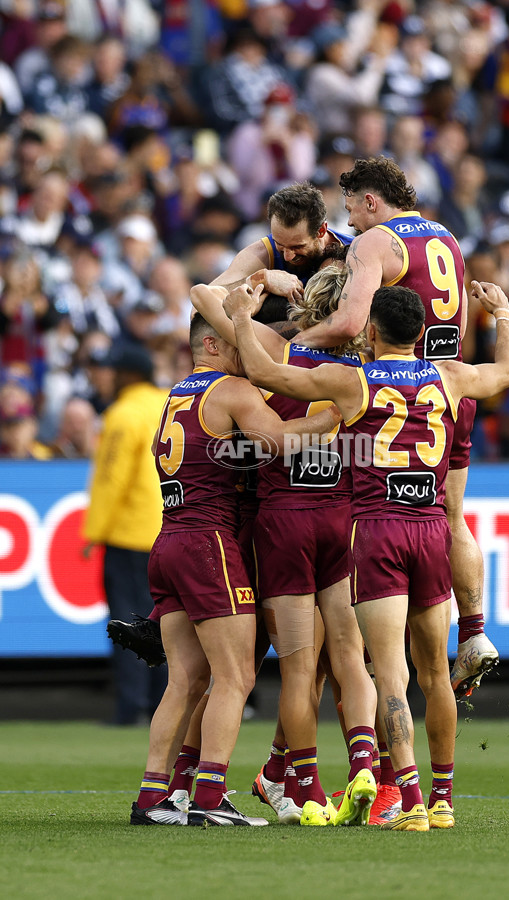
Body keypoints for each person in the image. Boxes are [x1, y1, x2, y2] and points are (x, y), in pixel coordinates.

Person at [225, 277, 509, 830]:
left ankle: (409, 804)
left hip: (379, 530)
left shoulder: (351, 381)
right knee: (436, 672)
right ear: (422, 332)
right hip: (433, 528)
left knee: (390, 672)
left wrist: (242, 318)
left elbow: (268, 374)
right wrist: (502, 315)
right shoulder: (449, 376)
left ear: (371, 329)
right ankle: (444, 800)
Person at [293, 155, 499, 697]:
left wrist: (295, 344)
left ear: (368, 199)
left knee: (364, 509)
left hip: (396, 393)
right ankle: (474, 631)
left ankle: (360, 675)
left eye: (353, 212)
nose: (352, 225)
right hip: (450, 390)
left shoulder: (375, 242)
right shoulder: (446, 236)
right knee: (451, 515)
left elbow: (350, 321)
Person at [129, 311, 342, 826]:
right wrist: (333, 415)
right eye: (239, 341)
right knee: (236, 676)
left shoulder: (178, 393)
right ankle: (208, 798)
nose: (252, 353)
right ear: (212, 343)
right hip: (208, 544)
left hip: (169, 539)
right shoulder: (232, 391)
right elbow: (280, 441)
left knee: (185, 679)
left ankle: (153, 797)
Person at [191, 265, 378, 828]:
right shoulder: (367, 368)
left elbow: (204, 295)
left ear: (304, 307)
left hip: (283, 522)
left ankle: (310, 789)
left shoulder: (274, 348)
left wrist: (261, 277)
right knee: (348, 654)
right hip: (340, 521)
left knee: (297, 669)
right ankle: (366, 759)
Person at [82, 343, 168, 726]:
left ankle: (129, 707)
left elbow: (111, 479)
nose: (108, 378)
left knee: (127, 624)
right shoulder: (170, 402)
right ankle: (161, 706)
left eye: (114, 372)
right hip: (171, 530)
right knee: (165, 626)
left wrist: (94, 530)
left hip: (131, 535)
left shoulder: (122, 414)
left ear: (128, 375)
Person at [210, 181, 353, 301]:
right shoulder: (263, 252)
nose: (287, 256)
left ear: (321, 231)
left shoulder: (355, 251)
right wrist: (261, 279)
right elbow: (202, 302)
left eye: (297, 246)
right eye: (280, 244)